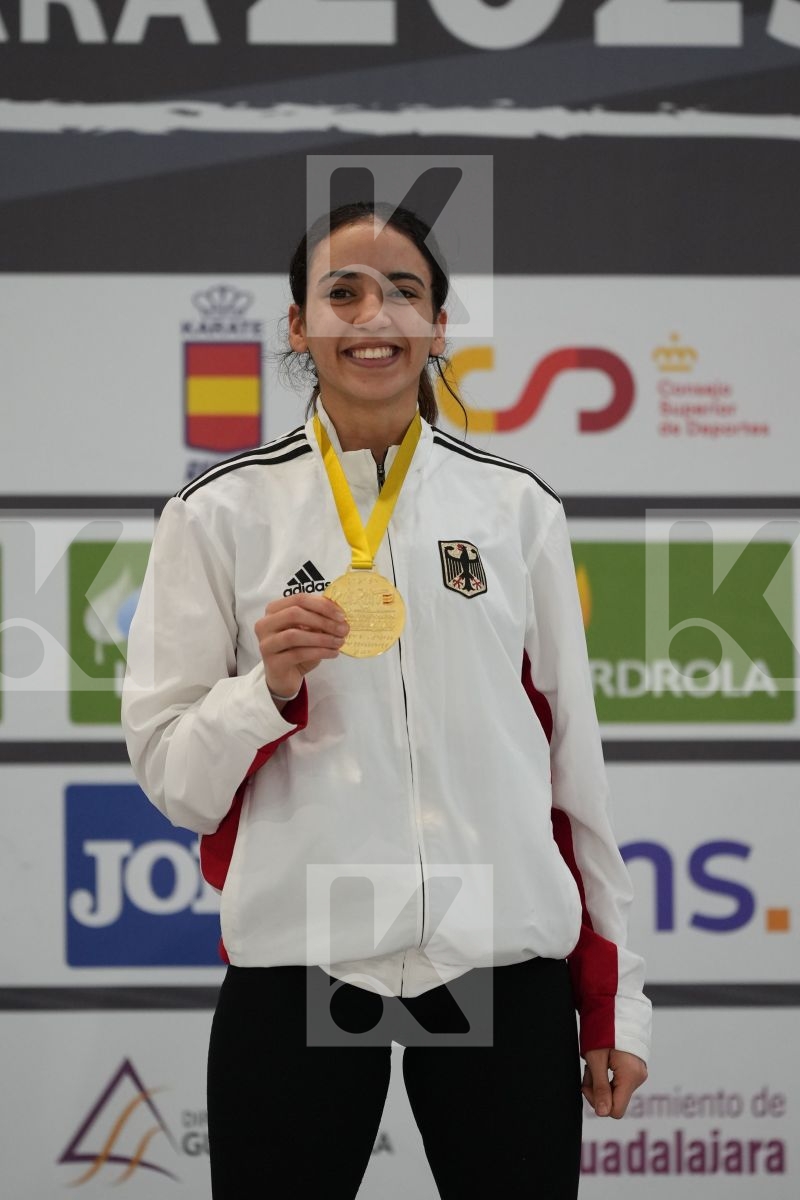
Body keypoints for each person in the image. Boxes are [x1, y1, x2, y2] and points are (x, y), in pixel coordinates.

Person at [121, 200, 651, 1199]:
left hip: (495, 956)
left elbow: (571, 768)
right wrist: (262, 690)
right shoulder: (216, 514)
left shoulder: (514, 508)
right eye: (342, 292)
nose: (374, 315)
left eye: (404, 292)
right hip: (305, 957)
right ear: (296, 325)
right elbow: (178, 787)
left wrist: (612, 1004)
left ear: (438, 327)